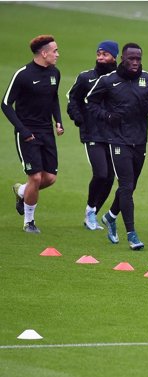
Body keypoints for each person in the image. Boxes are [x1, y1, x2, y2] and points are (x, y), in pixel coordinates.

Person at [85, 42, 148, 250]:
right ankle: (131, 234)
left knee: (130, 187)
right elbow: (90, 102)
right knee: (126, 187)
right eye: (131, 58)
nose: (135, 62)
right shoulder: (109, 81)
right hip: (117, 141)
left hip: (140, 141)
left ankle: (111, 216)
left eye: (138, 59)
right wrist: (107, 116)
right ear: (122, 58)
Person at [2, 35, 63, 233]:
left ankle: (21, 191)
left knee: (50, 178)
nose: (57, 55)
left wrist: (58, 121)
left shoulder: (55, 73)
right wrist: (22, 130)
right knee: (35, 178)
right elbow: (5, 104)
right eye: (54, 51)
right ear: (43, 53)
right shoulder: (23, 74)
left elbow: (53, 99)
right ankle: (29, 222)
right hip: (27, 133)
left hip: (47, 132)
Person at [66, 40, 119, 231]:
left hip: (114, 135)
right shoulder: (85, 77)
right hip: (93, 134)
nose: (100, 57)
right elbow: (73, 99)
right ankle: (90, 211)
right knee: (101, 174)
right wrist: (78, 118)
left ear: (114, 57)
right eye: (98, 54)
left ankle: (93, 214)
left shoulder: (118, 79)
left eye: (105, 54)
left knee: (110, 178)